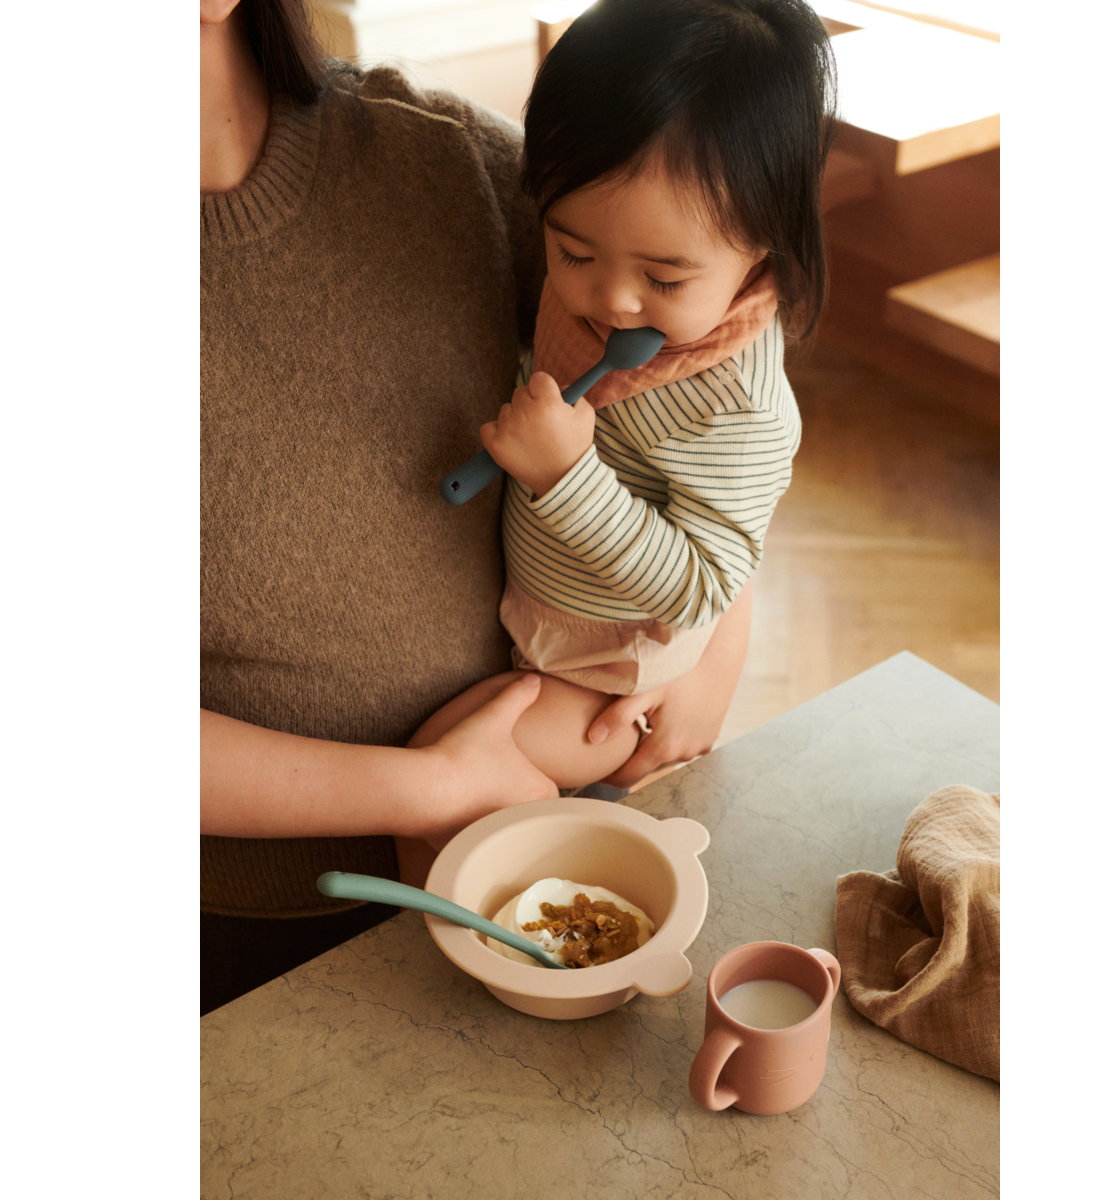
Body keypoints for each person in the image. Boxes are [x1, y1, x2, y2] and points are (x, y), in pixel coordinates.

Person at [199, 0, 754, 1010]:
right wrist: (426, 788)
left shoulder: (447, 163)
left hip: (556, 819)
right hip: (252, 939)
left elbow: (718, 327)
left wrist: (720, 630)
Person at [405, 0, 836, 791]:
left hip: (610, 680)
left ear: (764, 246)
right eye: (573, 250)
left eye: (665, 278)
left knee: (445, 767)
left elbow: (706, 584)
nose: (613, 300)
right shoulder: (592, 280)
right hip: (543, 627)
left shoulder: (736, 408)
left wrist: (566, 479)